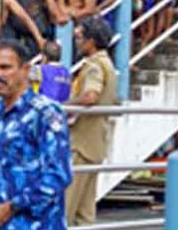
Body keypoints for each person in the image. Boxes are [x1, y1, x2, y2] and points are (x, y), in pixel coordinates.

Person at [0, 38, 71, 230]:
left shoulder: (45, 112)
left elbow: (58, 175)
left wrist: (10, 208)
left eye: (5, 68)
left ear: (26, 70)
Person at [65, 16, 117, 226]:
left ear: (91, 41)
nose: (77, 42)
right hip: (95, 142)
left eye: (79, 38)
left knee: (67, 205)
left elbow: (90, 96)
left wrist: (64, 106)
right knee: (85, 212)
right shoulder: (107, 64)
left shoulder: (94, 66)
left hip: (82, 143)